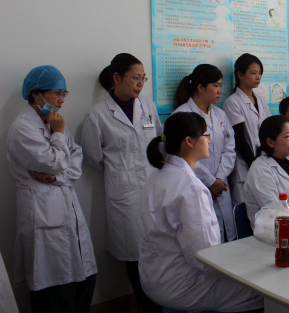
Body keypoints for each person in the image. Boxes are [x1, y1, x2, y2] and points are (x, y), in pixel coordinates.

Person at [138, 112, 263, 312]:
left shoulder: (157, 175)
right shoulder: (190, 187)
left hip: (154, 277)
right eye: (206, 136)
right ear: (189, 141)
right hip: (183, 285)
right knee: (262, 291)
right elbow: (205, 258)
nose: (209, 141)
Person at [7, 65, 97, 313]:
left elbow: (75, 159)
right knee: (53, 284)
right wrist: (58, 136)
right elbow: (55, 161)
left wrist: (57, 177)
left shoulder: (53, 122)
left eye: (64, 93)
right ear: (36, 94)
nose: (62, 99)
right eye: (57, 93)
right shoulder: (23, 128)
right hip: (41, 210)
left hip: (65, 204)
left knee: (84, 277)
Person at [80, 53, 161, 313]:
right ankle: (148, 307)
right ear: (116, 78)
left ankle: (162, 302)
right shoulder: (97, 115)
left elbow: (158, 142)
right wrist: (122, 172)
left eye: (143, 78)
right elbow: (93, 157)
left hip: (153, 188)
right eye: (135, 78)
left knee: (159, 248)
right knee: (134, 255)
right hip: (124, 194)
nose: (140, 83)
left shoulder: (148, 106)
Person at [173, 64, 236, 242]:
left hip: (221, 187)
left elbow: (229, 148)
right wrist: (210, 181)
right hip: (197, 185)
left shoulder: (220, 115)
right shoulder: (181, 116)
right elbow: (183, 156)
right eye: (215, 86)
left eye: (220, 86)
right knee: (204, 239)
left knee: (226, 238)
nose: (220, 91)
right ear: (200, 87)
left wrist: (220, 178)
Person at [223, 53, 271, 207]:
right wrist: (254, 164)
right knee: (245, 210)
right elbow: (239, 138)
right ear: (240, 74)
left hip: (263, 163)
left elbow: (269, 130)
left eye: (260, 73)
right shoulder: (232, 102)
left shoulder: (261, 101)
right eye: (253, 73)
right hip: (244, 166)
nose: (258, 77)